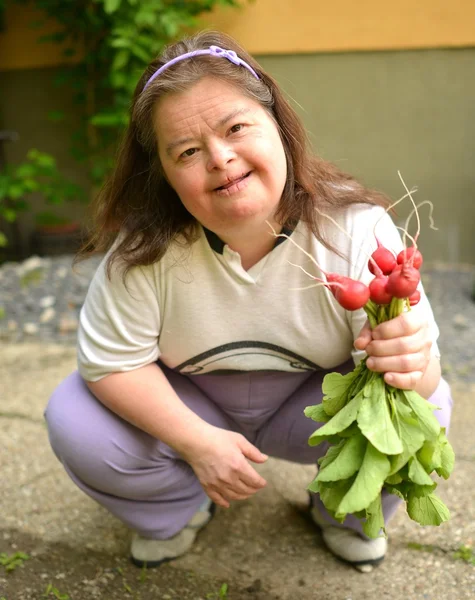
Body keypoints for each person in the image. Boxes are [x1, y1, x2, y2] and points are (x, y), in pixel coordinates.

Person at [44, 30, 452, 573]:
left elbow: (419, 386)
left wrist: (411, 364)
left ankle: (345, 513)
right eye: (187, 151)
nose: (220, 158)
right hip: (194, 402)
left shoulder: (356, 230)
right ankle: (178, 507)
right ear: (162, 172)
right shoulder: (143, 253)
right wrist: (196, 442)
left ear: (278, 128)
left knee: (427, 408)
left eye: (236, 128)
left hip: (315, 408)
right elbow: (110, 363)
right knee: (75, 419)